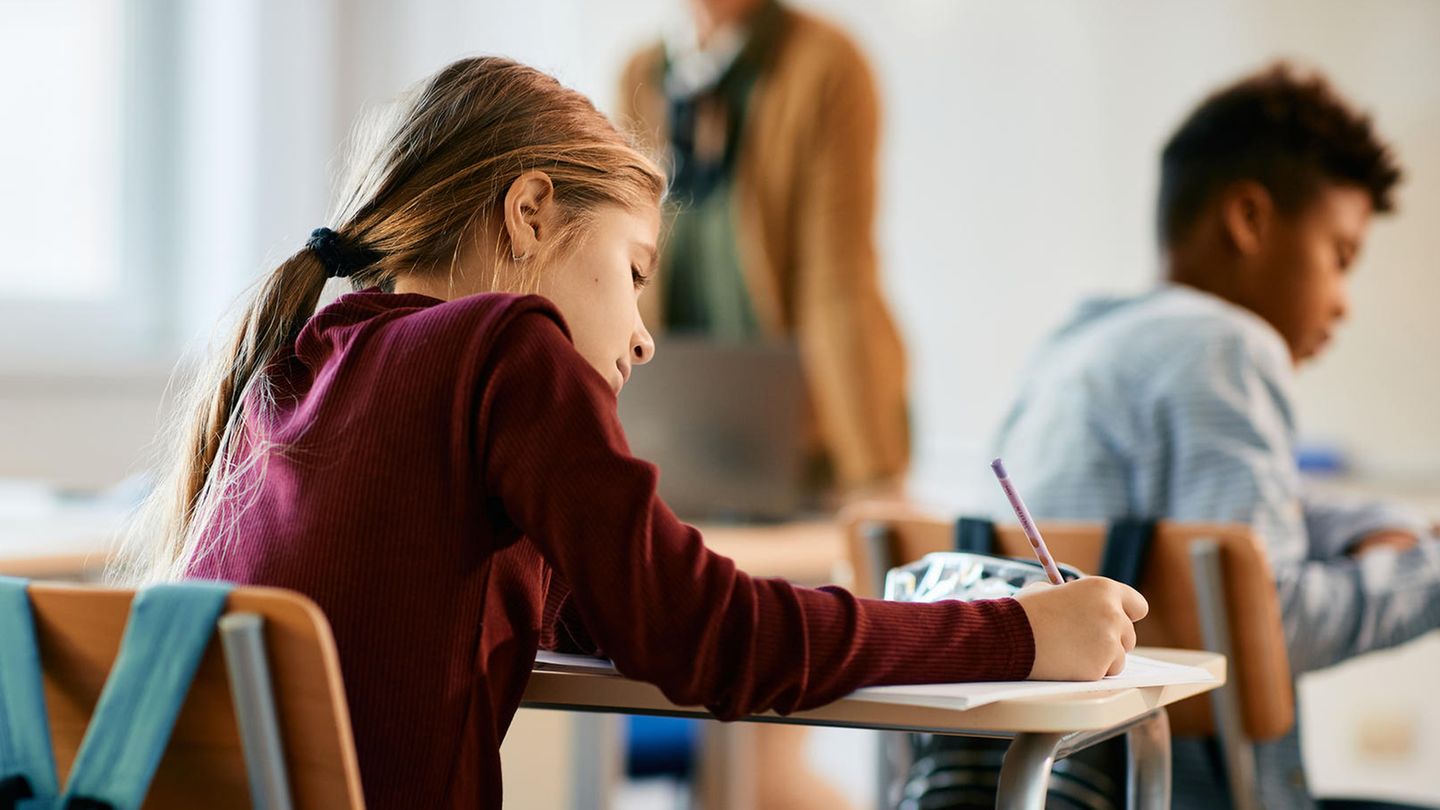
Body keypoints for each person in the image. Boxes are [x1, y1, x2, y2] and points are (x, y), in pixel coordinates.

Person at [111, 57, 1147, 809]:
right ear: (529, 210)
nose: (645, 337)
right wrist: (1019, 634)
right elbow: (712, 644)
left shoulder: (306, 355)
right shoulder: (504, 342)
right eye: (636, 272)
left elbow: (619, 609)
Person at [988, 63, 1439, 810]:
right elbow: (1270, 622)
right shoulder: (1230, 345)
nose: (1342, 303)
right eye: (1341, 255)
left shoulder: (1074, 345)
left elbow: (1244, 525)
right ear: (1249, 219)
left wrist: (1383, 526)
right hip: (1178, 790)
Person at [618, 0, 908, 496]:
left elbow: (837, 283)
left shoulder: (826, 66)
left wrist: (872, 475)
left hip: (807, 432)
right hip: (681, 433)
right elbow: (624, 265)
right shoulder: (643, 72)